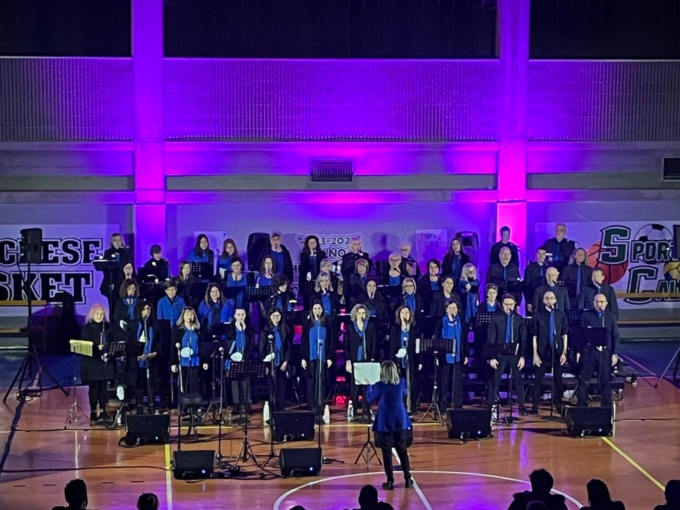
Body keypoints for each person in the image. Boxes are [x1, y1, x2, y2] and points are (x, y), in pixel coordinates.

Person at [366, 360, 413, 491]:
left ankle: (390, 481)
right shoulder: (401, 383)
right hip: (399, 420)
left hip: (384, 421)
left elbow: (369, 399)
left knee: (386, 452)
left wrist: (369, 386)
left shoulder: (380, 386)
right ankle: (407, 478)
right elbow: (405, 393)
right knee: (402, 450)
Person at [486, 293, 529, 414]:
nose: (509, 307)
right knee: (496, 378)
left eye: (511, 304)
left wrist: (523, 356)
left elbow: (523, 339)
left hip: (515, 353)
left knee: (518, 379)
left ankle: (521, 405)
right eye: (506, 304)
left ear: (514, 304)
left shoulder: (519, 319)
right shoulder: (496, 318)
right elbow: (491, 338)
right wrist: (492, 357)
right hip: (500, 352)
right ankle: (490, 404)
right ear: (502, 304)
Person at [577, 294, 619, 408]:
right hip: (590, 352)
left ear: (606, 303)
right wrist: (579, 351)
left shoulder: (610, 316)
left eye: (601, 302)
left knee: (605, 380)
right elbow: (581, 335)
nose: (599, 304)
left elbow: (615, 335)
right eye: (597, 302)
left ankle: (606, 406)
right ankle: (582, 405)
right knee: (584, 380)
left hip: (605, 352)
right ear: (593, 303)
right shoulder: (586, 315)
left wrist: (615, 353)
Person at [531, 291, 568, 414]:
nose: (549, 300)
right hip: (542, 350)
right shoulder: (538, 315)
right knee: (538, 379)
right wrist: (535, 354)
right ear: (543, 301)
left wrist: (564, 352)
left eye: (552, 298)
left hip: (557, 350)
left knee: (558, 379)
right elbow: (534, 336)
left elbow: (564, 334)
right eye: (547, 298)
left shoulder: (560, 314)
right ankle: (535, 405)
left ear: (555, 300)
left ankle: (558, 402)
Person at [80, 304, 115, 425]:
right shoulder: (87, 328)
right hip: (93, 362)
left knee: (104, 389)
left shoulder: (108, 327)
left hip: (105, 362)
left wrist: (107, 352)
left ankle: (104, 411)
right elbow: (86, 345)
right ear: (92, 315)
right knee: (94, 389)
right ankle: (93, 412)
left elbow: (112, 341)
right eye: (97, 314)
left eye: (102, 314)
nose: (99, 316)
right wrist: (97, 350)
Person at [301, 301, 334, 419]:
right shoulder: (307, 324)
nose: (317, 311)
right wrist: (303, 357)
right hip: (310, 356)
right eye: (315, 309)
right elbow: (303, 341)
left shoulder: (327, 324)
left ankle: (320, 405)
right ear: (312, 310)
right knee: (311, 380)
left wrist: (330, 357)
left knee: (321, 380)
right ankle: (312, 406)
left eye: (319, 308)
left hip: (322, 356)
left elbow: (331, 341)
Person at [345, 304, 377, 421]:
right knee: (354, 386)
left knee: (366, 386)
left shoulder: (370, 326)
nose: (361, 315)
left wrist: (373, 357)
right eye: (359, 313)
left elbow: (374, 341)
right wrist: (348, 360)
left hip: (366, 359)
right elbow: (346, 345)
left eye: (363, 313)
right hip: (355, 360)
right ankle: (352, 409)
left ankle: (367, 409)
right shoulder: (350, 327)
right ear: (355, 314)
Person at [171, 307, 208, 397]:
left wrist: (204, 361)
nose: (189, 316)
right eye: (187, 314)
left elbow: (203, 346)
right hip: (183, 361)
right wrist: (173, 363)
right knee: (184, 384)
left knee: (195, 384)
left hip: (195, 360)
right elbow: (173, 346)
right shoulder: (178, 329)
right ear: (183, 316)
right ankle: (184, 403)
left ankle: (195, 403)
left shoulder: (198, 330)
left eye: (191, 314)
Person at [390, 305, 421, 413]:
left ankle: (411, 406)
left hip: (411, 360)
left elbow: (418, 346)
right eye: (402, 313)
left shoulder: (414, 329)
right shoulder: (395, 329)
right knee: (399, 383)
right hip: (399, 361)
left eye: (407, 313)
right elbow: (392, 346)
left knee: (411, 382)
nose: (405, 315)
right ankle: (399, 405)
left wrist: (420, 361)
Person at [439, 300, 468, 410]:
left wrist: (465, 355)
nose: (452, 310)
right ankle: (442, 405)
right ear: (446, 309)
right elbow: (438, 338)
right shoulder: (441, 322)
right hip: (445, 356)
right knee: (444, 381)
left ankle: (457, 404)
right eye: (450, 308)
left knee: (457, 381)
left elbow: (464, 340)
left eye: (454, 308)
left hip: (458, 355)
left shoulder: (461, 321)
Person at [260, 309, 291, 412]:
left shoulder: (285, 330)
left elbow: (288, 347)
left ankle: (281, 410)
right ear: (270, 317)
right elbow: (262, 349)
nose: (276, 318)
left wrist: (286, 361)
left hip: (281, 363)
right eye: (273, 316)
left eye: (278, 316)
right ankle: (272, 411)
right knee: (272, 388)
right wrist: (264, 364)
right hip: (270, 364)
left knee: (281, 387)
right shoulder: (265, 332)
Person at [225, 308, 254, 414]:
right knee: (235, 381)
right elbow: (227, 343)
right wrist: (232, 355)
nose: (241, 316)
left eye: (242, 314)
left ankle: (247, 404)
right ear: (235, 316)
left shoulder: (249, 329)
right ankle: (236, 405)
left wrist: (246, 355)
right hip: (233, 358)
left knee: (246, 381)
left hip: (245, 358)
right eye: (238, 314)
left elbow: (251, 344)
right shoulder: (230, 328)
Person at [133, 300, 159, 412]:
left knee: (151, 383)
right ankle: (139, 407)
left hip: (151, 359)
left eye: (148, 309)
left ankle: (151, 406)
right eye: (144, 309)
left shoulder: (155, 324)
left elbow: (160, 340)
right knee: (139, 383)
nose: (146, 311)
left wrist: (154, 353)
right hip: (137, 360)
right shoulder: (134, 324)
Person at [98, 233, 130, 317]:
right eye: (115, 240)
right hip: (112, 283)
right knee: (113, 306)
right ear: (112, 242)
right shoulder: (108, 253)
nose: (118, 242)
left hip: (123, 282)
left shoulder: (125, 253)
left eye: (119, 240)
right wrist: (110, 282)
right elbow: (105, 269)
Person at [299, 234, 328, 307]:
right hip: (308, 283)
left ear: (317, 243)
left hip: (319, 282)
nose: (312, 244)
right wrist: (311, 254)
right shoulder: (304, 255)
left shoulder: (322, 254)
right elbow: (302, 269)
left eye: (314, 242)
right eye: (310, 243)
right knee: (308, 302)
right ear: (307, 244)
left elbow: (324, 266)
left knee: (319, 301)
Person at [524, 247, 549, 315]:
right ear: (536, 254)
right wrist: (528, 302)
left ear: (545, 255)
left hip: (545, 299)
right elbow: (526, 286)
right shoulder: (529, 268)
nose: (541, 256)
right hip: (532, 298)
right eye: (539, 253)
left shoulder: (548, 268)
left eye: (543, 254)